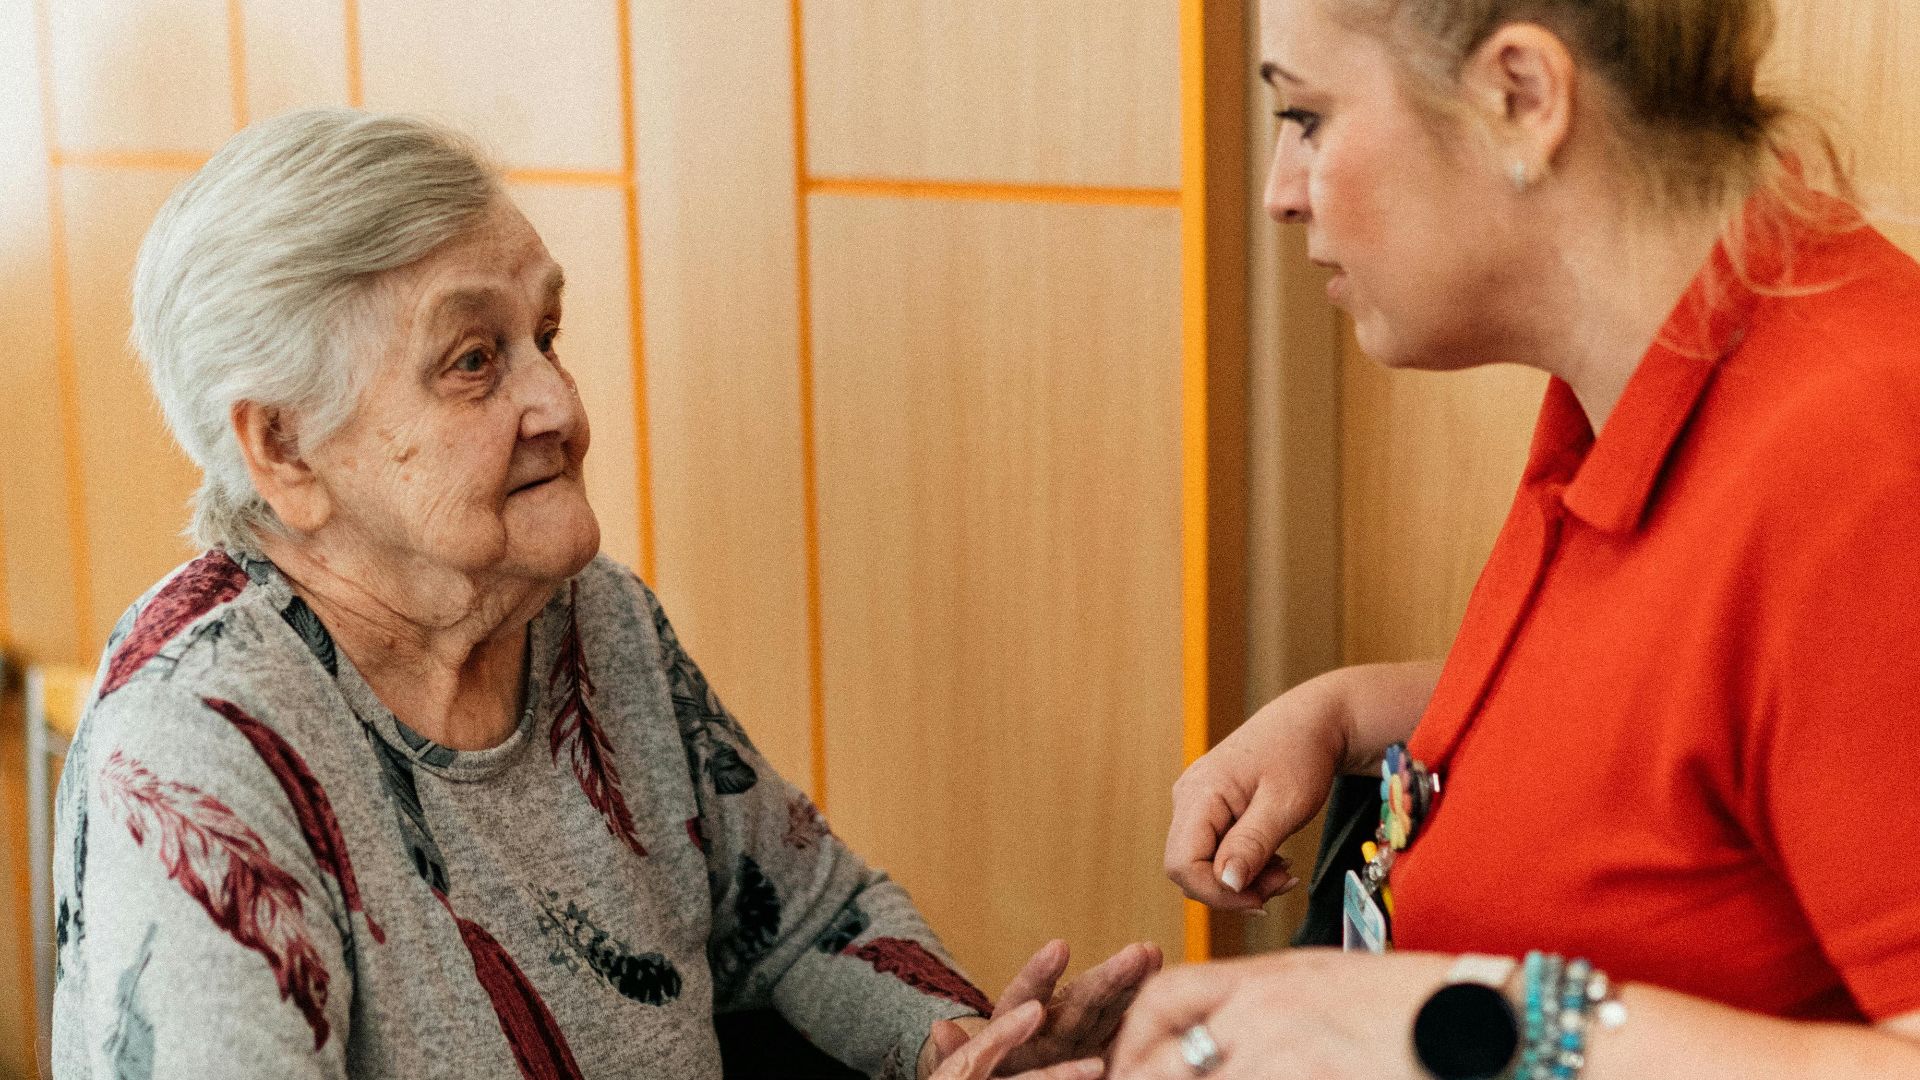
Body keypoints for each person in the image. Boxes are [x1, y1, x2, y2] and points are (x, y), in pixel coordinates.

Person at [50, 108, 1160, 1080]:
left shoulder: (591, 622)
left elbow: (807, 913)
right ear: (285, 448)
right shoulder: (197, 744)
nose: (562, 405)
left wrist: (956, 1044)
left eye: (546, 336)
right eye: (475, 360)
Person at [1118, 0, 1920, 1077]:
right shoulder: (1654, 366)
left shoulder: (1863, 454)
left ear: (1521, 97)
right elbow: (1714, 718)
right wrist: (1360, 708)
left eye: (1306, 117)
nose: (1280, 192)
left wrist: (1461, 1020)